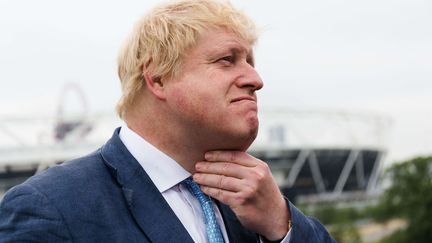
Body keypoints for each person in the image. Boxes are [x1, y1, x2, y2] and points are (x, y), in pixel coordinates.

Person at [0, 0, 335, 242]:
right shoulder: (52, 209)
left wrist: (282, 224)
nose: (255, 78)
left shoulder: (256, 202)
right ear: (158, 78)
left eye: (250, 61)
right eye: (226, 60)